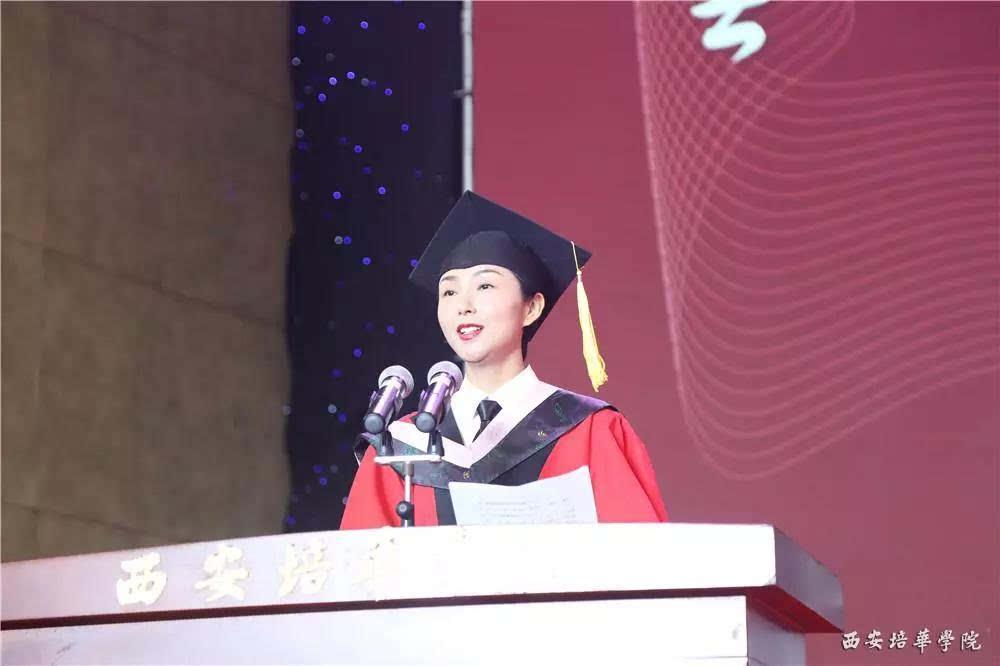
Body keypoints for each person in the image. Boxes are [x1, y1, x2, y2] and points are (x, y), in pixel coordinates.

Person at [340, 191, 667, 528]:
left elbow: (640, 551)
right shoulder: (401, 448)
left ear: (532, 308)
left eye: (484, 286)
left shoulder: (591, 430)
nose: (463, 305)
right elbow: (360, 557)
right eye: (449, 291)